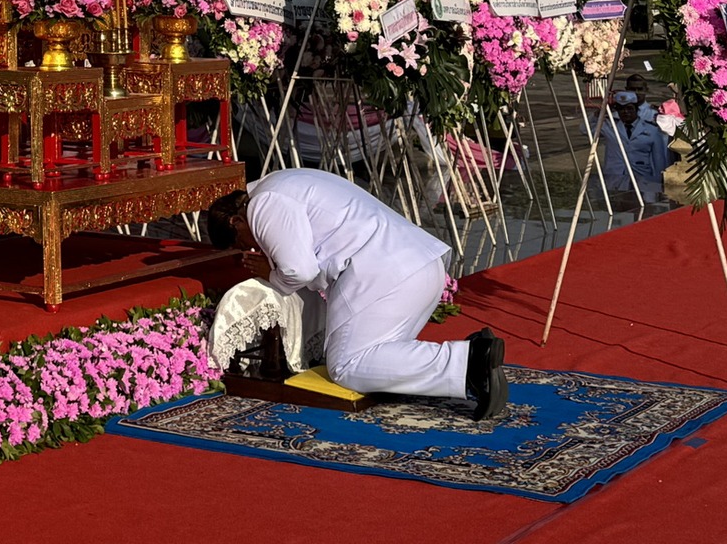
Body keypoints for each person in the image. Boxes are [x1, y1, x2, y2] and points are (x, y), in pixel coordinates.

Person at [205, 169, 506, 418]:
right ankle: (473, 360)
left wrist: (270, 273)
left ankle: (470, 360)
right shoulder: (284, 180)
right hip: (420, 264)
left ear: (236, 221)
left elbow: (300, 270)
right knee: (381, 354)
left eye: (242, 243)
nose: (251, 247)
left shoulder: (263, 204)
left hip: (385, 271)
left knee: (346, 366)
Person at [600, 83, 670, 206]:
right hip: (615, 179)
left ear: (636, 110)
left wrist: (659, 185)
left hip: (642, 179)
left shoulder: (651, 130)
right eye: (621, 109)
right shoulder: (610, 127)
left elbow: (659, 161)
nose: (626, 112)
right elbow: (585, 129)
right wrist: (598, 114)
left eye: (629, 108)